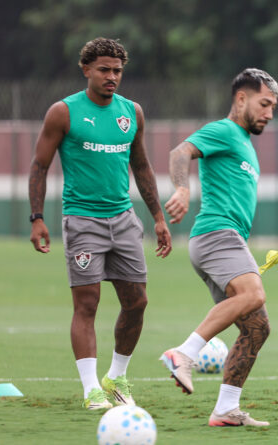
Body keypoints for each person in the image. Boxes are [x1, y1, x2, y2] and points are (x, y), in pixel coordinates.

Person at [28, 37, 172, 410]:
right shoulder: (63, 112)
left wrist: (158, 217)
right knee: (87, 304)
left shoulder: (132, 113)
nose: (112, 77)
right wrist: (37, 218)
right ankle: (91, 389)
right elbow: (40, 165)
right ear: (87, 70)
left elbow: (141, 165)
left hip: (124, 219)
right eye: (104, 70)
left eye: (118, 71)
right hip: (82, 220)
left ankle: (117, 376)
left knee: (137, 301)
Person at [160, 68, 278, 427]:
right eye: (264, 104)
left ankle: (226, 409)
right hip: (217, 235)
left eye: (273, 107)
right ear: (241, 99)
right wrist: (182, 189)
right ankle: (184, 353)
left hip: (226, 240)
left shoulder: (243, 142)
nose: (269, 114)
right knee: (254, 293)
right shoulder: (225, 130)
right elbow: (180, 152)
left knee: (257, 327)